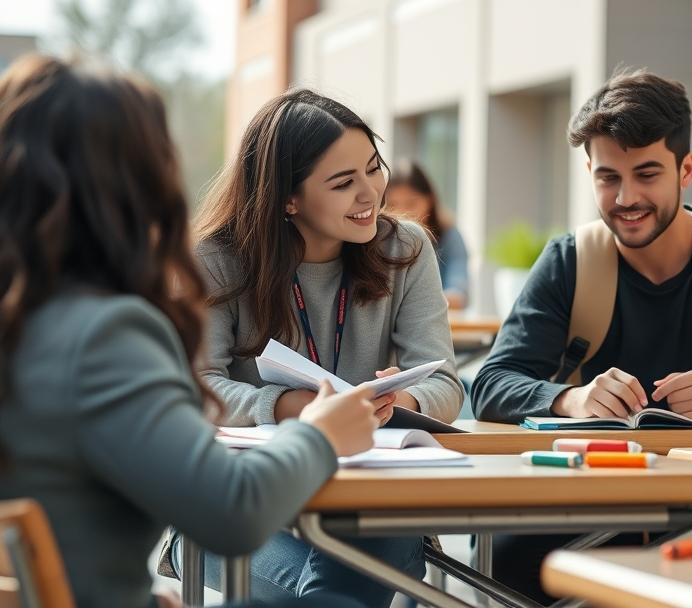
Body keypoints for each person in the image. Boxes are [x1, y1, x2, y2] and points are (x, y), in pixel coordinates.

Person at [0, 54, 380, 607]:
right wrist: (320, 434)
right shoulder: (104, 337)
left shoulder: (26, 322)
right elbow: (232, 512)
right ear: (133, 181)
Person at [470, 69, 692, 601]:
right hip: (575, 508)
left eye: (647, 174)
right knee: (501, 560)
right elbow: (490, 385)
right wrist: (570, 398)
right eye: (608, 177)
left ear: (686, 169)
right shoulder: (568, 261)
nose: (626, 196)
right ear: (589, 172)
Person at [177, 88, 466, 604]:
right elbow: (194, 390)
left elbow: (444, 379)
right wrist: (295, 408)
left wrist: (397, 403)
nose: (370, 194)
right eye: (342, 182)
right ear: (288, 197)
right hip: (237, 501)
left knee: (349, 573)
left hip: (369, 502)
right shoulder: (216, 260)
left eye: (374, 169)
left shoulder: (406, 249)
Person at [386, 159, 470, 309]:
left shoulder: (449, 236)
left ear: (429, 201)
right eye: (392, 205)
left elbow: (458, 295)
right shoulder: (379, 240)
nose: (401, 213)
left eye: (411, 204)